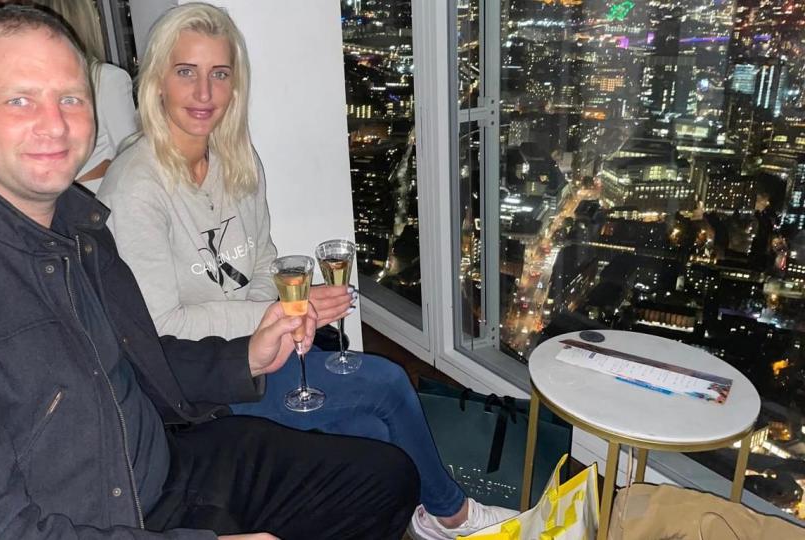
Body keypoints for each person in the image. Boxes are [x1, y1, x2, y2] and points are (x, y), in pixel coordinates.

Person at [0, 7, 419, 539]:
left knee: (384, 478)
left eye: (71, 99)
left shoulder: (80, 230)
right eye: (19, 100)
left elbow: (137, 357)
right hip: (95, 518)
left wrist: (244, 356)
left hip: (163, 469)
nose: (55, 124)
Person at [97, 4, 519, 539]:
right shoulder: (136, 188)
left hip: (261, 346)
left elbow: (261, 262)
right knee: (388, 381)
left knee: (371, 432)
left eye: (219, 74)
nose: (204, 92)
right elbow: (160, 325)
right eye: (186, 72)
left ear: (235, 86)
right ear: (157, 80)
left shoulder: (235, 159)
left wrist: (282, 317)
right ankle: (452, 514)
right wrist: (275, 315)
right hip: (204, 380)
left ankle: (417, 519)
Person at [32, 0, 137, 193]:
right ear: (89, 21)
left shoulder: (33, 85)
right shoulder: (107, 79)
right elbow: (133, 156)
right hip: (100, 201)